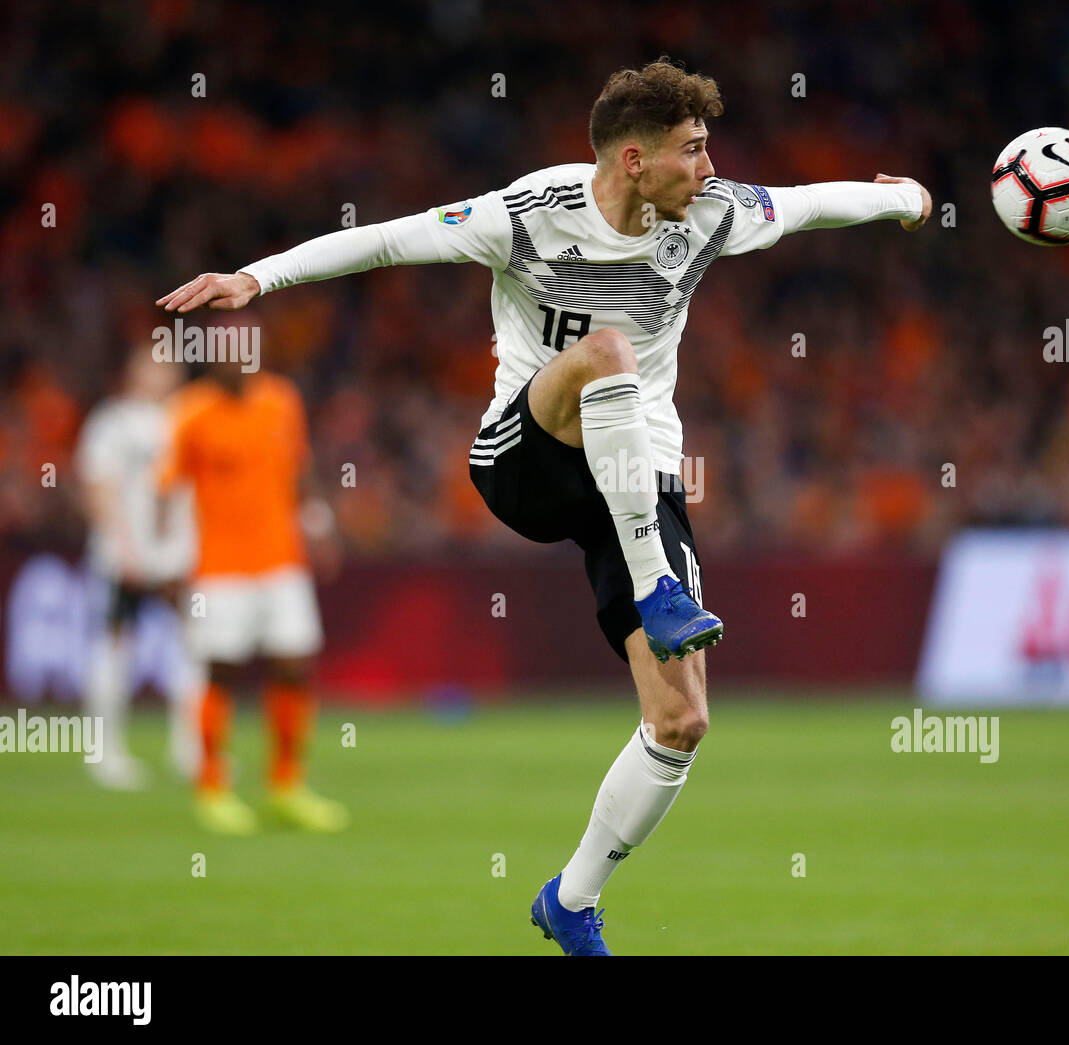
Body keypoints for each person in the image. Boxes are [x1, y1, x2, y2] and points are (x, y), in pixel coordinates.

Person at [157, 57, 930, 951]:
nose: (711, 168)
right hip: (526, 454)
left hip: (634, 478)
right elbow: (382, 240)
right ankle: (659, 589)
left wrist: (904, 199)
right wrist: (257, 278)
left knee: (681, 719)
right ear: (633, 159)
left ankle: (570, 898)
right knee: (608, 350)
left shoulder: (711, 213)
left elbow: (806, 203)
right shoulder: (527, 216)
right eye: (694, 150)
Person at [159, 354, 347, 835]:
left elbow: (299, 470)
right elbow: (168, 490)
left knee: (295, 665)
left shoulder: (281, 399)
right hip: (218, 566)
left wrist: (319, 526)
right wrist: (168, 561)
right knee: (221, 670)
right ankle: (212, 787)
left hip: (281, 559)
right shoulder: (190, 411)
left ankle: (286, 785)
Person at [75, 343, 200, 789]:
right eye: (154, 366)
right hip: (124, 553)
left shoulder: (186, 416)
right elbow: (97, 484)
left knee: (195, 646)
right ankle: (104, 751)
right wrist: (119, 545)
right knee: (114, 647)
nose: (163, 374)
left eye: (169, 366)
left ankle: (191, 749)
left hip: (177, 554)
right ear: (133, 371)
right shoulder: (113, 422)